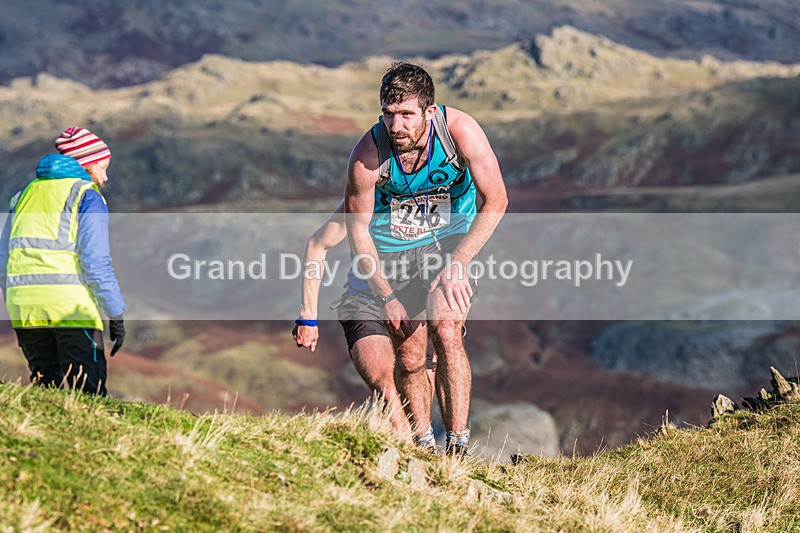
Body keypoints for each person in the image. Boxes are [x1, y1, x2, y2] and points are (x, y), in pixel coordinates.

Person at [344, 63, 507, 455]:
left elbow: (497, 199)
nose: (395, 125)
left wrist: (459, 263)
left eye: (406, 114)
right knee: (412, 355)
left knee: (446, 328)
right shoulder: (368, 155)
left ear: (429, 112)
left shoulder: (460, 133)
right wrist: (385, 295)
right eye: (387, 113)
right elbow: (357, 230)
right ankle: (423, 445)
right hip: (395, 251)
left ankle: (458, 445)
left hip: (453, 239)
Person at [292, 201, 435, 445]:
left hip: (418, 304)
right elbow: (318, 244)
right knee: (387, 389)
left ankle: (422, 452)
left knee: (417, 377)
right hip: (364, 303)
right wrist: (308, 316)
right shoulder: (364, 196)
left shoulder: (441, 191)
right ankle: (410, 459)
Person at [0, 127, 126, 395]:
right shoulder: (86, 195)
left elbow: (3, 259)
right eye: (101, 167)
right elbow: (95, 262)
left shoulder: (22, 196)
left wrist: (15, 296)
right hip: (71, 307)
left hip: (24, 307)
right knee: (88, 393)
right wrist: (115, 312)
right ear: (82, 164)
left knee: (46, 392)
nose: (104, 177)